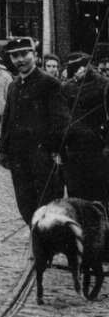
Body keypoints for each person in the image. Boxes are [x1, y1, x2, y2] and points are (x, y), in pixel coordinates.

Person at [0, 37, 65, 224]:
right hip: (18, 157)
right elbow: (8, 120)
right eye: (14, 56)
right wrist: (3, 151)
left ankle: (44, 246)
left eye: (24, 54)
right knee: (25, 203)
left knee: (47, 203)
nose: (19, 59)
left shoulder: (50, 84)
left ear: (34, 55)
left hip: (41, 155)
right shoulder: (13, 86)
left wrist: (51, 149)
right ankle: (36, 238)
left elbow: (60, 121)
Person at [59, 53, 109, 205]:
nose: (76, 72)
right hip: (72, 151)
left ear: (87, 65)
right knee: (76, 197)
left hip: (97, 149)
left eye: (79, 67)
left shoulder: (103, 83)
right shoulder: (67, 86)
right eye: (72, 68)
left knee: (98, 199)